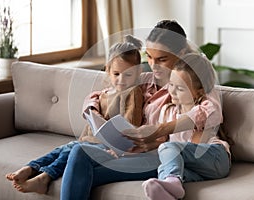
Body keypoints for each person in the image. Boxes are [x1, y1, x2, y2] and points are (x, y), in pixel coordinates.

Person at [60, 20, 219, 200]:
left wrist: (157, 131)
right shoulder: (146, 79)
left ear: (181, 54)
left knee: (87, 172)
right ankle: (43, 172)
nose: (153, 65)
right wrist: (93, 111)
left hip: (161, 156)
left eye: (162, 59)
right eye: (149, 57)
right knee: (79, 150)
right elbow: (102, 92)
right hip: (135, 151)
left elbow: (210, 114)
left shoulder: (195, 82)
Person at [5, 35, 144, 194]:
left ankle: (45, 177)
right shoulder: (103, 93)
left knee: (73, 149)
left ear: (138, 71)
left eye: (128, 75)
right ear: (108, 70)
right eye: (116, 74)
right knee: (61, 150)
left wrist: (118, 145)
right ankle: (31, 168)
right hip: (88, 141)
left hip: (105, 147)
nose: (121, 80)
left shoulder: (132, 92)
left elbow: (131, 125)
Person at [142, 53, 232, 200]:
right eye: (171, 85)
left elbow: (204, 116)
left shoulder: (206, 107)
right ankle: (166, 189)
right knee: (165, 166)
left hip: (215, 158)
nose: (172, 91)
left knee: (167, 148)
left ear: (200, 91)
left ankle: (172, 181)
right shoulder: (167, 111)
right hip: (195, 168)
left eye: (180, 88)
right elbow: (158, 142)